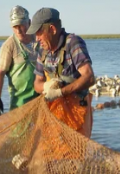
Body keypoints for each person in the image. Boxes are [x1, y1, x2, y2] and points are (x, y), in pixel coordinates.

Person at [28, 8, 95, 138]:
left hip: (76, 114)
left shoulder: (73, 43)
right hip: (53, 114)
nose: (37, 39)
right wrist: (45, 86)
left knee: (76, 155)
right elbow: (37, 83)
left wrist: (60, 92)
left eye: (39, 33)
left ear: (52, 29)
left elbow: (89, 77)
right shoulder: (42, 51)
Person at [0, 6, 39, 115]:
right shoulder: (9, 46)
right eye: (15, 26)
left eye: (21, 25)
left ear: (29, 22)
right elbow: (0, 74)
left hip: (42, 98)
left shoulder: (39, 40)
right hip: (20, 102)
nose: (18, 30)